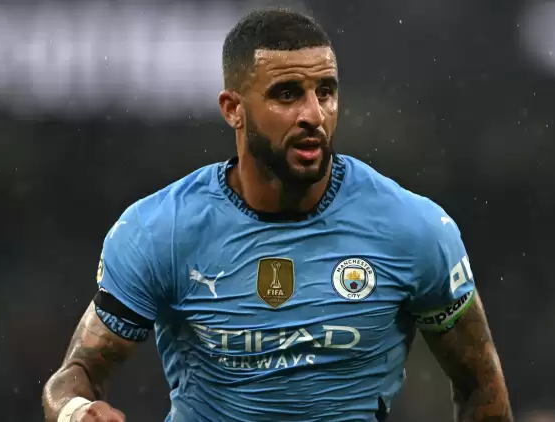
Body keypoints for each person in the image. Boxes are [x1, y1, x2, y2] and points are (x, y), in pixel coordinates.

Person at [42, 7, 513, 422]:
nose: (314, 114)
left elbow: (481, 387)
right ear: (233, 109)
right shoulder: (160, 230)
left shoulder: (414, 230)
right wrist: (76, 411)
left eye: (325, 91)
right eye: (287, 94)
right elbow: (77, 374)